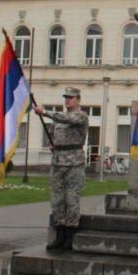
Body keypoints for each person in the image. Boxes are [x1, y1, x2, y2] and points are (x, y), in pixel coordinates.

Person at [33, 87, 88, 251]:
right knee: (57, 200)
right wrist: (52, 145)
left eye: (71, 97)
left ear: (78, 99)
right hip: (58, 162)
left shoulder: (81, 116)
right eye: (66, 97)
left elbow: (67, 119)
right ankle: (59, 234)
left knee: (71, 199)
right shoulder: (59, 120)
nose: (67, 100)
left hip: (74, 163)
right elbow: (54, 133)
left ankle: (69, 236)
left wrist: (45, 112)